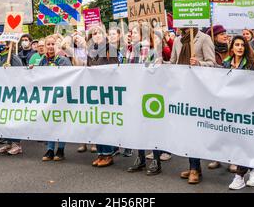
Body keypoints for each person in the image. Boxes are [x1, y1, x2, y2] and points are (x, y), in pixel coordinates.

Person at [170, 27, 215, 184]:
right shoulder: (177, 40)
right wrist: (163, 64)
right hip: (182, 89)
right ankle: (193, 166)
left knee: (194, 128)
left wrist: (199, 63)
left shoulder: (204, 38)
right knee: (187, 129)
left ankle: (195, 168)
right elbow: (173, 62)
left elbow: (212, 63)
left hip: (198, 90)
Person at [222, 35, 254, 190]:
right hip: (231, 109)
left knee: (243, 141)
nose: (240, 47)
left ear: (246, 47)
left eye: (242, 45)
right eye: (237, 44)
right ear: (232, 47)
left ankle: (239, 176)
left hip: (248, 109)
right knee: (237, 142)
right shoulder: (226, 64)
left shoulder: (253, 64)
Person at [126, 22, 163, 175]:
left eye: (134, 32)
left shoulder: (152, 51)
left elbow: (153, 72)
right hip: (135, 93)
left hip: (149, 94)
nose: (131, 35)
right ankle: (140, 158)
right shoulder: (131, 51)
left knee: (152, 127)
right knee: (137, 126)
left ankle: (156, 160)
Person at [86, 26, 119, 167]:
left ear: (104, 34)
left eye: (99, 32)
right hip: (95, 91)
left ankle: (108, 154)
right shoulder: (91, 51)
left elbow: (114, 69)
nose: (97, 35)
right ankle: (100, 153)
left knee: (105, 122)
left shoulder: (109, 48)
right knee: (96, 122)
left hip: (107, 90)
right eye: (94, 33)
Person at [37, 35, 72, 162]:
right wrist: (31, 70)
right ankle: (50, 149)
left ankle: (61, 149)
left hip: (61, 97)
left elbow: (70, 77)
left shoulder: (63, 60)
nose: (50, 47)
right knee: (49, 122)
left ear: (56, 46)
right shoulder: (42, 61)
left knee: (60, 122)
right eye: (48, 44)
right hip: (47, 98)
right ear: (45, 46)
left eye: (53, 44)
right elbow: (37, 76)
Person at [0, 42, 24, 155]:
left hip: (13, 92)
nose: (0, 45)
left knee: (13, 118)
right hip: (3, 92)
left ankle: (16, 144)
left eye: (3, 43)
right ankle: (8, 142)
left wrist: (12, 71)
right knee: (4, 117)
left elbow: (20, 73)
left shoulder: (13, 57)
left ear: (8, 45)